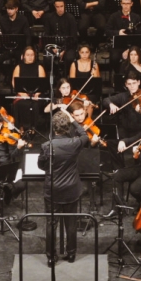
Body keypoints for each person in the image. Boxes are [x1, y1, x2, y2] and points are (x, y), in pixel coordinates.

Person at [38, 111, 95, 264]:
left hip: (53, 190)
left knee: (51, 223)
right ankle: (71, 255)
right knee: (70, 223)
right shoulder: (75, 143)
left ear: (53, 128)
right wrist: (74, 121)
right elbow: (85, 135)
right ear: (67, 127)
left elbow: (41, 165)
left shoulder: (46, 146)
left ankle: (51, 257)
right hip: (71, 189)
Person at [103, 74, 141, 142]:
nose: (132, 86)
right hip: (124, 131)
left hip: (139, 132)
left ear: (139, 82)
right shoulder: (123, 96)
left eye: (134, 83)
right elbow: (105, 100)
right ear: (126, 85)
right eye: (129, 84)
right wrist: (111, 104)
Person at [11, 46, 47, 132]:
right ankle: (21, 126)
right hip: (22, 93)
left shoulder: (39, 67)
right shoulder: (18, 67)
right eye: (28, 55)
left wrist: (37, 94)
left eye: (32, 55)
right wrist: (22, 94)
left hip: (36, 93)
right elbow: (14, 82)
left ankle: (32, 128)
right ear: (23, 56)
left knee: (34, 105)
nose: (30, 57)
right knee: (20, 104)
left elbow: (42, 84)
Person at [46, 0, 79, 64]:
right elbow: (47, 34)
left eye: (61, 6)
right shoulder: (49, 17)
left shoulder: (70, 18)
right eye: (57, 7)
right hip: (54, 45)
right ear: (54, 6)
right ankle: (54, 73)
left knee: (69, 58)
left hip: (68, 45)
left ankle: (66, 73)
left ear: (65, 6)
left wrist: (64, 50)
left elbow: (73, 37)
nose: (60, 9)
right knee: (47, 58)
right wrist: (52, 48)